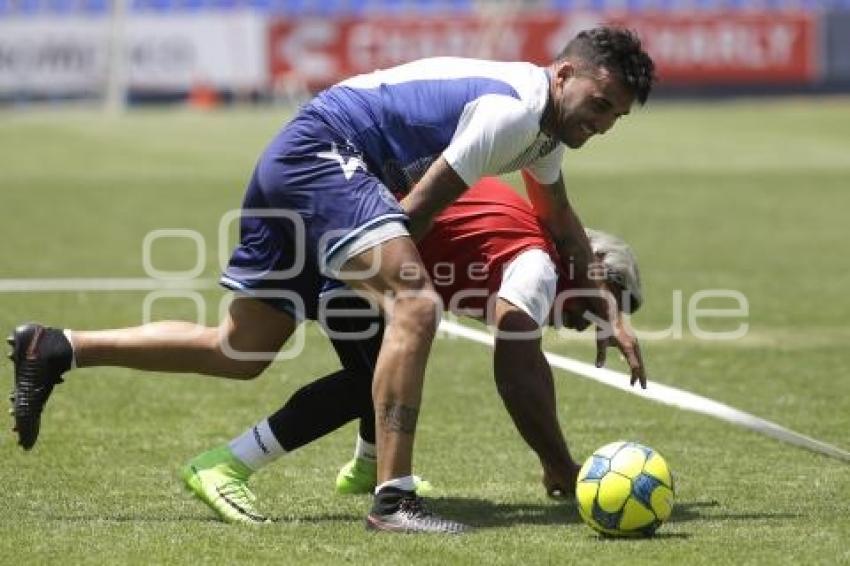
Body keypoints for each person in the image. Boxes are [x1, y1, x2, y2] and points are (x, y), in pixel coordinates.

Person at [8, 27, 655, 533]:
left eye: (613, 118)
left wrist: (607, 310)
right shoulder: (515, 110)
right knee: (416, 309)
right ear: (564, 73)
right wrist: (374, 288)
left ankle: (58, 347)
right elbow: (418, 211)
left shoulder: (544, 134)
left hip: (298, 157)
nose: (598, 124)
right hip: (329, 156)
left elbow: (561, 219)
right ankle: (393, 502)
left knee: (241, 350)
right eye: (598, 104)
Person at [180, 176, 644, 531]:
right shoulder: (538, 266)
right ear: (585, 269)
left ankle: (367, 468)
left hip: (340, 224)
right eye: (597, 305)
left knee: (387, 355)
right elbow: (517, 372)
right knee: (371, 379)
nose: (588, 323)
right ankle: (227, 463)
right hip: (340, 234)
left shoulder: (526, 243)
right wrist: (559, 463)